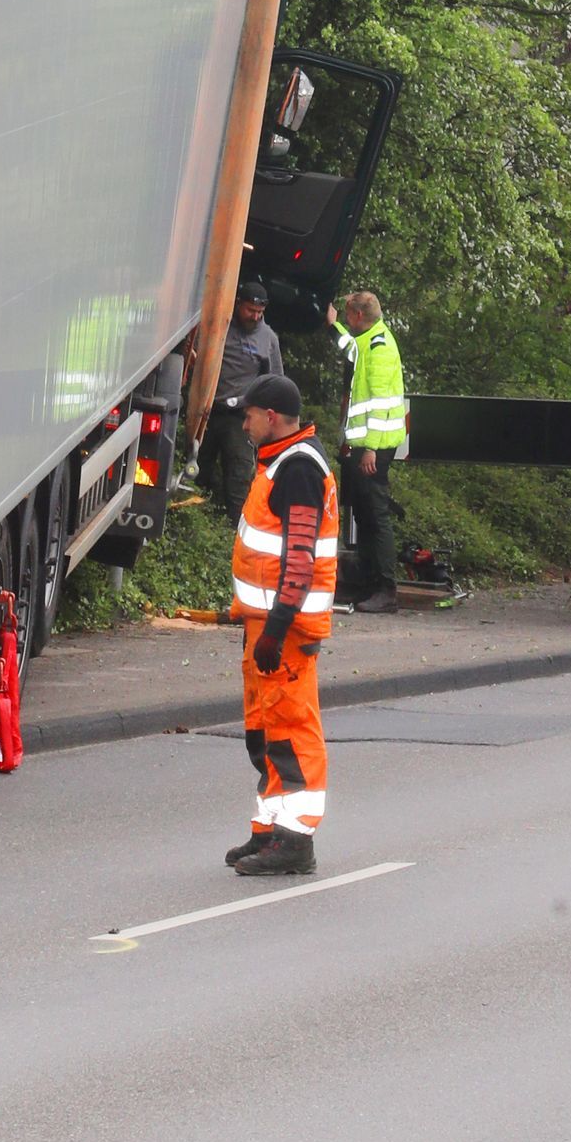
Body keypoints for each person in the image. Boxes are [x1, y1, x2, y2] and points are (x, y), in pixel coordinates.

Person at [227, 371, 335, 877]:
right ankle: (270, 830)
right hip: (266, 627)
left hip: (285, 631)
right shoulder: (279, 462)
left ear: (270, 417)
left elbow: (300, 556)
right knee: (265, 731)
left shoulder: (298, 469)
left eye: (247, 416)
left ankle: (296, 842)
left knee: (290, 731)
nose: (243, 425)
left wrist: (276, 626)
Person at [334, 286, 408, 612]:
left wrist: (371, 452)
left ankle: (385, 588)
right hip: (364, 443)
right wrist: (332, 324)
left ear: (359, 316)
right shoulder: (368, 339)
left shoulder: (379, 348)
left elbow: (379, 405)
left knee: (375, 515)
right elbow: (350, 347)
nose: (347, 320)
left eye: (348, 315)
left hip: (374, 446)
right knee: (363, 513)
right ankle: (367, 583)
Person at [199, 263, 280, 528]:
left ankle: (236, 533)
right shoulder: (220, 324)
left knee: (239, 477)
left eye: (260, 312)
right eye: (250, 310)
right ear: (237, 304)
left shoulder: (268, 339)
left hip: (240, 418)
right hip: (207, 410)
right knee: (197, 469)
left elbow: (275, 381)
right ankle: (196, 524)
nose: (255, 316)